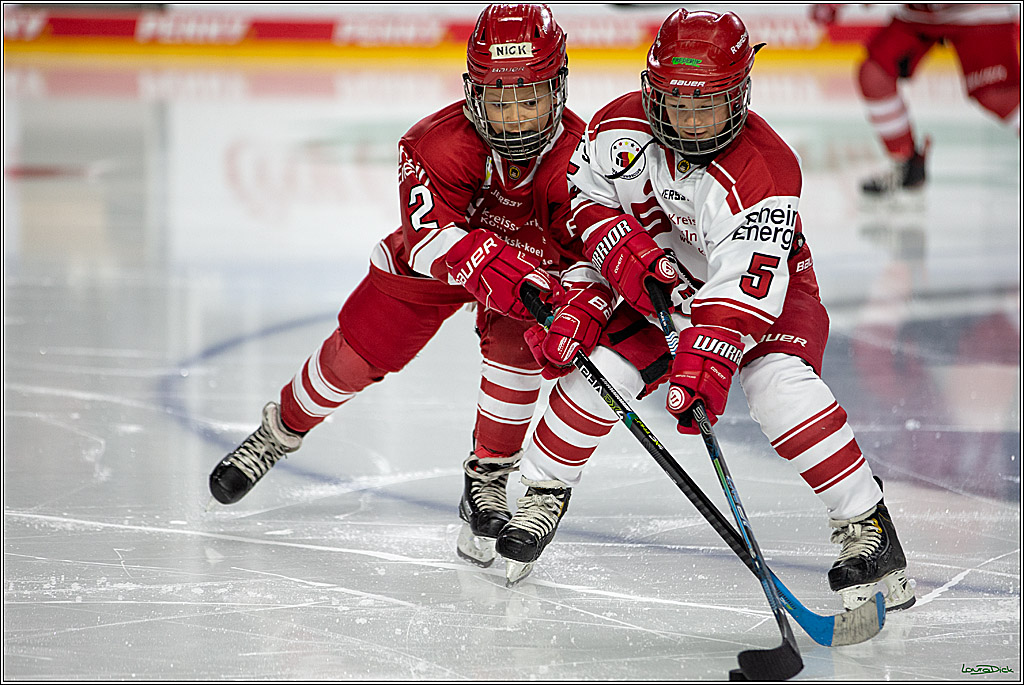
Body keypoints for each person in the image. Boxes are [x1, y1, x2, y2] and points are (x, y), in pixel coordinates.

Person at [494, 7, 916, 612]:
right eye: (676, 104)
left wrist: (707, 358)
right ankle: (538, 492)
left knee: (778, 385)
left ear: (739, 96)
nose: (689, 123)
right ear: (652, 90)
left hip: (763, 292)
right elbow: (585, 201)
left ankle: (866, 526)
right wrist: (619, 257)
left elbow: (745, 289)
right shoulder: (617, 128)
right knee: (598, 373)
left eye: (706, 106)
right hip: (652, 280)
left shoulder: (764, 174)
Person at [207, 4, 611, 571]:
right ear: (474, 94)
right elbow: (428, 242)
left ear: (558, 88)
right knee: (355, 357)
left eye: (529, 98)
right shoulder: (432, 144)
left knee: (520, 352)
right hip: (439, 268)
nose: (515, 118)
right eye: (499, 100)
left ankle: (486, 479)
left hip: (533, 270)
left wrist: (574, 294)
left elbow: (595, 247)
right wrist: (495, 264)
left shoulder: (588, 156)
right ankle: (280, 431)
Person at [811, 3, 1021, 196]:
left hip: (976, 12)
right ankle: (906, 166)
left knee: (997, 94)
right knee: (874, 74)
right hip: (920, 14)